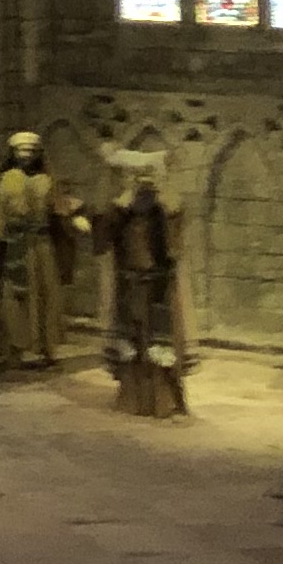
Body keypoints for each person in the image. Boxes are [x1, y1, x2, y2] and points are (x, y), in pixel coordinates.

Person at [0, 131, 83, 371]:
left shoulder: (46, 180)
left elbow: (59, 209)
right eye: (21, 152)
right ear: (13, 154)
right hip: (14, 247)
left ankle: (46, 350)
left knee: (45, 297)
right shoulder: (6, 180)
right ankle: (14, 349)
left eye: (30, 152)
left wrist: (73, 217)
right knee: (13, 300)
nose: (25, 156)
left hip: (41, 248)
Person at [96, 153, 190, 419]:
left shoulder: (166, 209)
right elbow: (102, 240)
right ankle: (133, 401)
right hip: (130, 284)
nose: (143, 184)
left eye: (148, 178)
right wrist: (117, 206)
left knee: (161, 344)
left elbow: (174, 243)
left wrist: (165, 205)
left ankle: (165, 402)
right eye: (138, 178)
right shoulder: (122, 212)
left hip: (158, 286)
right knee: (132, 343)